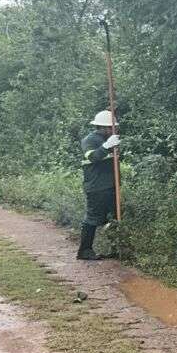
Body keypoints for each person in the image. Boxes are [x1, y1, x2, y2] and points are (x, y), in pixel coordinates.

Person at [78, 110, 121, 260]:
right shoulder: (89, 140)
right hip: (96, 187)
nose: (113, 130)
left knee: (114, 218)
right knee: (92, 218)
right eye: (110, 127)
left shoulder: (111, 139)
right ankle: (85, 250)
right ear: (103, 127)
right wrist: (107, 146)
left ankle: (116, 249)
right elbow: (94, 157)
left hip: (110, 186)